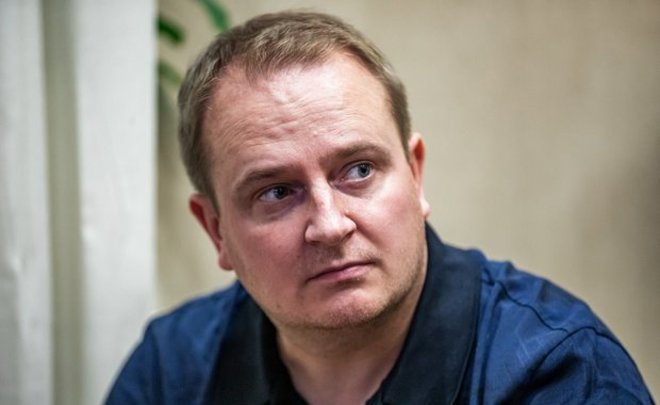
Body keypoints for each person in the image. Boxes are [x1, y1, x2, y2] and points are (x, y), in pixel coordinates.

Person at [107, 11, 653, 404]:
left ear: (415, 174)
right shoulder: (172, 372)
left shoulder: (559, 372)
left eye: (359, 170)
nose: (330, 225)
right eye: (275, 192)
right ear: (216, 230)